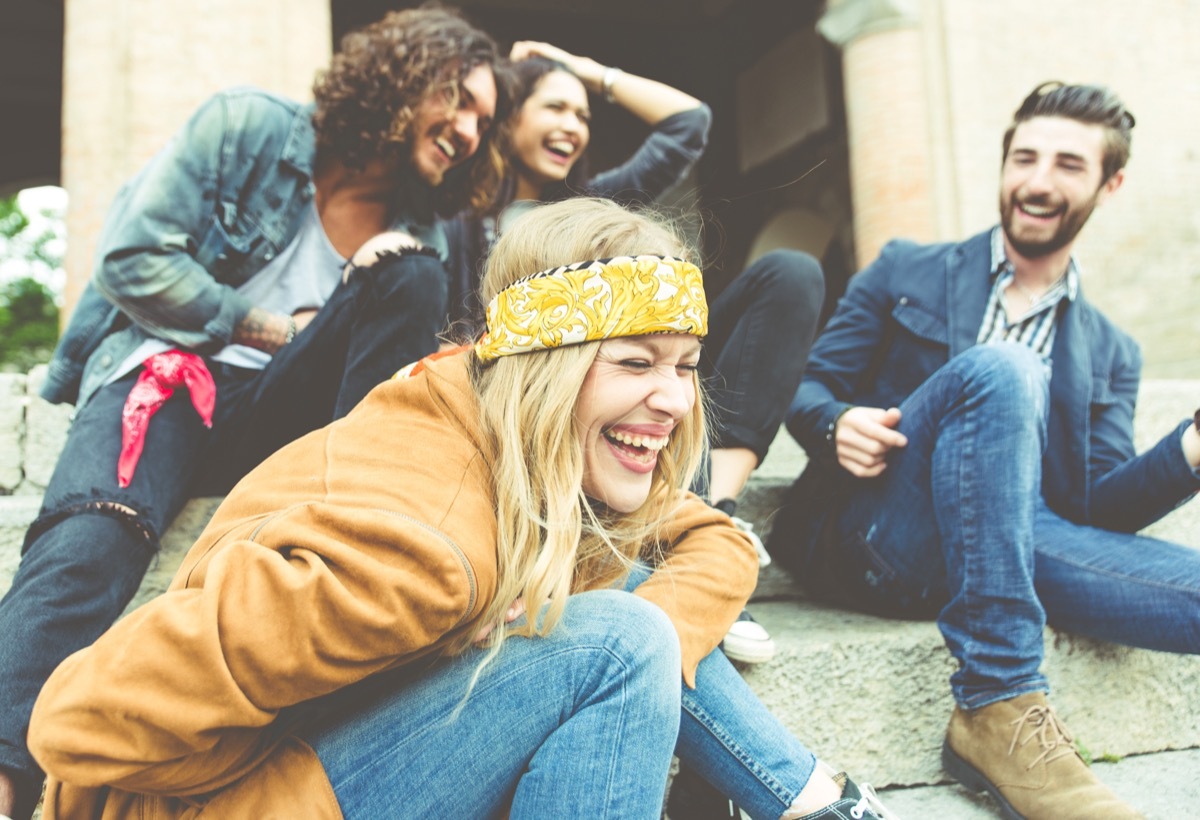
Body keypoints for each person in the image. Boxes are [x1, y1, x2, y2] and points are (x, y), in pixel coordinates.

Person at [26, 199, 893, 820]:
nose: (672, 399)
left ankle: (814, 802)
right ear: (543, 368)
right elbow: (76, 721)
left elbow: (713, 539)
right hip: (238, 800)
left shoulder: (495, 420)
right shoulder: (426, 556)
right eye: (635, 362)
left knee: (625, 605)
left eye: (684, 363)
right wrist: (439, 637)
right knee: (619, 641)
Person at [0, 8, 509, 818]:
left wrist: (364, 288)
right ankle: (7, 780)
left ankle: (351, 521)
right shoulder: (246, 128)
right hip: (172, 374)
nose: (471, 131)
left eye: (485, 120)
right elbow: (133, 259)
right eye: (461, 98)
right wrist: (283, 327)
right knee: (94, 532)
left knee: (411, 275)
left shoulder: (421, 238)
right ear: (406, 75)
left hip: (285, 428)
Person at [769, 81, 1200, 820]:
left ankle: (1000, 703)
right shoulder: (905, 268)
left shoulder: (1110, 351)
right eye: (1024, 157)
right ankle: (998, 702)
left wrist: (1191, 450)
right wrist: (835, 421)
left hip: (1015, 541)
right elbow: (807, 383)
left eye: (1068, 164)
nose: (1037, 181)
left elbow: (1098, 506)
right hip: (880, 535)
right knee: (1006, 369)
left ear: (1109, 182)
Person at [440, 40, 826, 668]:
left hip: (639, 375)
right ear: (507, 117)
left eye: (582, 115)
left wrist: (590, 72)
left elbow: (689, 123)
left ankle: (712, 509)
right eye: (554, 106)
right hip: (540, 409)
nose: (572, 124)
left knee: (792, 276)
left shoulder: (595, 203)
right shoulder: (461, 215)